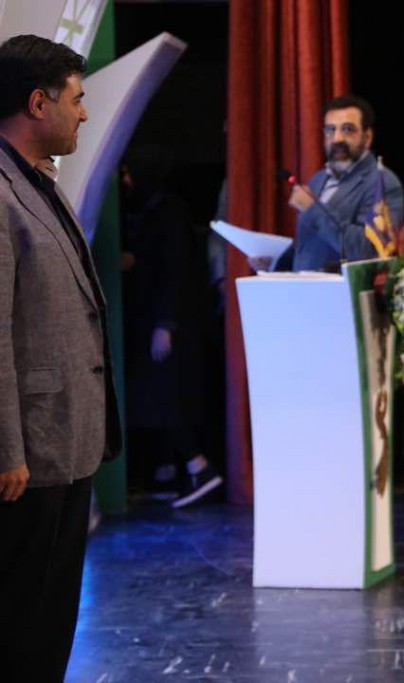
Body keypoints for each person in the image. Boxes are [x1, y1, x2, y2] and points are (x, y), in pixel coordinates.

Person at [0, 35, 122, 681]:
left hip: (66, 442)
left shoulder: (40, 181)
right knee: (24, 623)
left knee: (50, 620)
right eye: (76, 99)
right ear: (37, 103)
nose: (84, 113)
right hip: (29, 457)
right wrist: (7, 450)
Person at [120, 145, 222, 507]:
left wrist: (165, 325)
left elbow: (175, 272)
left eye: (129, 173)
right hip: (154, 320)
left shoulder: (169, 211)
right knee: (154, 395)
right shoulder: (149, 209)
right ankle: (166, 473)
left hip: (168, 324)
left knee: (165, 396)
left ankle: (199, 467)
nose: (126, 181)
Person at [254, 94, 404, 272]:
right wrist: (275, 262)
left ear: (367, 137)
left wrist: (313, 209)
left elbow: (369, 251)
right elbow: (312, 248)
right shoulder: (318, 180)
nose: (337, 138)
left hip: (345, 290)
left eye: (347, 129)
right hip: (305, 287)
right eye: (330, 130)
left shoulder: (382, 182)